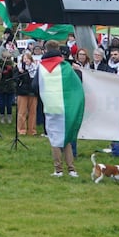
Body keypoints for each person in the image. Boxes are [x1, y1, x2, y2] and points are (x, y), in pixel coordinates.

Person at [38, 41, 84, 178]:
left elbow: (35, 84)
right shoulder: (65, 66)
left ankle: (58, 169)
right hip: (67, 106)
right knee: (67, 138)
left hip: (51, 105)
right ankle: (71, 169)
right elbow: (76, 84)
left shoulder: (42, 67)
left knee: (54, 138)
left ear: (45, 50)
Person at [15, 51, 39, 136]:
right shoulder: (19, 68)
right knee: (22, 112)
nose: (26, 60)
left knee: (33, 112)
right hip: (22, 92)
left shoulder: (35, 68)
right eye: (24, 59)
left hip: (33, 92)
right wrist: (20, 73)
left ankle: (32, 130)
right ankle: (22, 130)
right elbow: (16, 80)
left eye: (27, 59)